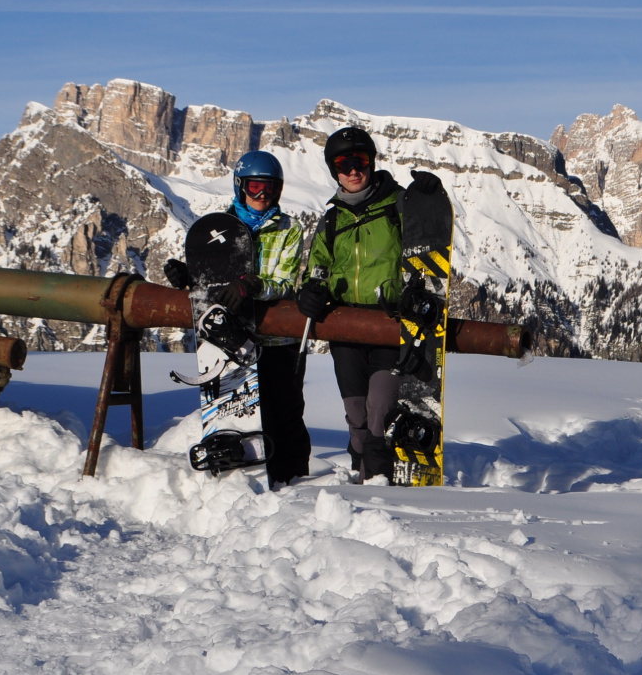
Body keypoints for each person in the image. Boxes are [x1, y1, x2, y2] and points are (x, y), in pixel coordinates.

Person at [297, 126, 442, 483]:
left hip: (389, 324)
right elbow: (318, 266)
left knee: (380, 408)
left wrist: (426, 201)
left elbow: (424, 248)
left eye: (359, 161)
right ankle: (361, 479)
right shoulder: (332, 219)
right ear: (334, 170)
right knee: (356, 414)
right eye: (342, 164)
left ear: (371, 162)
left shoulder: (396, 205)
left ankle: (380, 486)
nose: (352, 170)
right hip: (345, 327)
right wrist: (311, 291)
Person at [166, 150, 311, 486]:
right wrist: (189, 277)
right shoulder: (219, 227)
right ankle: (238, 477)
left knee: (284, 413)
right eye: (256, 187)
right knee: (240, 414)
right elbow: (213, 280)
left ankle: (294, 483)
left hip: (275, 339)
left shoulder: (289, 228)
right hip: (232, 341)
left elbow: (286, 283)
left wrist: (254, 285)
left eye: (271, 189)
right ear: (240, 186)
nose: (263, 196)